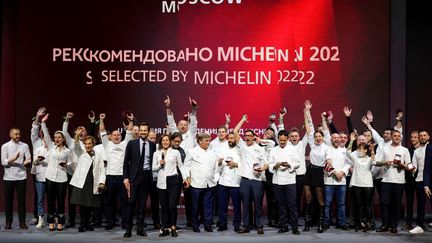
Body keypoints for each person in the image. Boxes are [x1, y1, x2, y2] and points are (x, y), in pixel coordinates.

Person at [234, 115, 268, 235]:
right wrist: (243, 120)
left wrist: (261, 169)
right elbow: (235, 131)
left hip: (257, 180)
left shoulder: (260, 149)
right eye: (246, 136)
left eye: (250, 136)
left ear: (254, 137)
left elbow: (266, 164)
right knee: (246, 205)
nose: (247, 137)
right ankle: (246, 226)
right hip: (244, 180)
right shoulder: (242, 146)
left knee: (258, 205)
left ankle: (259, 225)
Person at [346, 132, 387, 232]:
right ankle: (361, 223)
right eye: (359, 148)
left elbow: (374, 162)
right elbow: (347, 152)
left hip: (367, 184)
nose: (360, 150)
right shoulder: (355, 158)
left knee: (368, 205)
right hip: (356, 184)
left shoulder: (369, 159)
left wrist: (372, 150)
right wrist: (351, 140)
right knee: (359, 205)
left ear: (365, 150)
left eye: (362, 149)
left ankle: (368, 223)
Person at [99, 113, 133, 230]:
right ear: (110, 137)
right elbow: (102, 132)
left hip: (123, 177)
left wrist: (131, 121)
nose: (117, 136)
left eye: (118, 134)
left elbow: (129, 131)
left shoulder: (125, 144)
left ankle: (125, 223)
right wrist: (101, 120)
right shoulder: (107, 144)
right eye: (114, 135)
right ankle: (110, 222)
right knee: (109, 202)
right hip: (110, 177)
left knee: (124, 202)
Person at [123, 122, 156, 238]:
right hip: (134, 178)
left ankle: (140, 228)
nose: (142, 132)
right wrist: (126, 178)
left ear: (148, 131)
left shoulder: (152, 145)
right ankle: (128, 229)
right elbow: (126, 162)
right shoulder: (132, 143)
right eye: (141, 130)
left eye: (145, 130)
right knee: (131, 203)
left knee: (142, 205)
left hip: (146, 177)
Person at [41, 114, 73, 231]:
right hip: (50, 176)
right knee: (50, 200)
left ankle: (60, 221)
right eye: (55, 137)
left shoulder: (67, 151)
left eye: (59, 137)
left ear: (63, 139)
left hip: (62, 178)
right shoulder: (51, 147)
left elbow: (70, 163)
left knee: (60, 201)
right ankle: (50, 221)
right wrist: (43, 123)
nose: (57, 139)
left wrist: (66, 165)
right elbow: (46, 135)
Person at [152, 134, 188, 237]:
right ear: (161, 142)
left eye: (167, 140)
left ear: (170, 141)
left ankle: (173, 227)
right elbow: (153, 168)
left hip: (174, 181)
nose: (165, 142)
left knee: (172, 206)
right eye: (163, 140)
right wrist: (160, 165)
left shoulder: (175, 152)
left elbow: (181, 166)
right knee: (164, 207)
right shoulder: (156, 153)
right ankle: (165, 228)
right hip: (161, 181)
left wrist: (185, 179)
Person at [375, 130, 411, 234]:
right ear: (391, 136)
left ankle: (394, 226)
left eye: (398, 136)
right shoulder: (384, 149)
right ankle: (385, 225)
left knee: (396, 204)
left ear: (401, 137)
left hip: (399, 181)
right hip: (386, 179)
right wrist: (384, 162)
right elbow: (376, 162)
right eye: (394, 135)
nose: (397, 137)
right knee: (384, 203)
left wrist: (402, 165)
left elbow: (409, 166)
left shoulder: (405, 150)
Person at [70, 132, 106, 232]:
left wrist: (102, 182)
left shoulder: (98, 155)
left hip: (93, 182)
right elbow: (76, 146)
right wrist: (77, 136)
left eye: (89, 144)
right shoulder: (81, 152)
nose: (87, 146)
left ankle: (88, 223)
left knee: (90, 204)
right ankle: (82, 224)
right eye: (86, 144)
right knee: (82, 204)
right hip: (82, 182)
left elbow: (102, 170)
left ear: (93, 144)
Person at [303, 101, 330, 233]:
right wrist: (307, 112)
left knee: (320, 198)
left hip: (319, 172)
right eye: (316, 136)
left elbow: (328, 158)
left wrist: (329, 161)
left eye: (320, 136)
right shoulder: (312, 145)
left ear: (323, 137)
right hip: (310, 171)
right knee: (308, 197)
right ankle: (307, 224)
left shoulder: (327, 147)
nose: (318, 138)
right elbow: (309, 128)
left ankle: (320, 224)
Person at [183, 133, 219, 232]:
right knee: (195, 206)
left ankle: (207, 225)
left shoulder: (213, 153)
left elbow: (215, 168)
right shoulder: (192, 152)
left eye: (209, 140)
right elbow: (186, 166)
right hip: (196, 184)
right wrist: (187, 177)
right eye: (206, 140)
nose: (208, 142)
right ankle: (195, 225)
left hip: (210, 184)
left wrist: (215, 179)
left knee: (208, 206)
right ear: (200, 141)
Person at [268, 130, 300, 234]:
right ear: (278, 139)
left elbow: (298, 163)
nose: (282, 142)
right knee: (280, 205)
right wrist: (275, 165)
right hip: (277, 181)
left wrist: (289, 165)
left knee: (292, 204)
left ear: (288, 139)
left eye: (284, 140)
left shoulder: (292, 149)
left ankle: (294, 227)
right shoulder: (273, 150)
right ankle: (283, 226)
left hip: (290, 180)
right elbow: (269, 165)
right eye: (281, 140)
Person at [1, 127, 31, 230]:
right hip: (8, 177)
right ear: (10, 135)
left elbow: (28, 158)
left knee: (21, 201)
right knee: (8, 201)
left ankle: (22, 222)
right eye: (16, 134)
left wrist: (26, 162)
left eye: (19, 134)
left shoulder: (24, 146)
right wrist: (13, 158)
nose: (18, 136)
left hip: (21, 176)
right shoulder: (5, 146)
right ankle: (8, 222)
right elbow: (3, 162)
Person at [323, 132, 350, 230]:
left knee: (341, 204)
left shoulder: (345, 150)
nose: (336, 139)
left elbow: (348, 163)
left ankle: (341, 223)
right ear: (331, 139)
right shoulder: (328, 150)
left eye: (338, 137)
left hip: (341, 181)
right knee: (327, 204)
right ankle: (326, 223)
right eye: (334, 138)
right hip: (329, 181)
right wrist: (336, 173)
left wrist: (342, 172)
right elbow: (328, 163)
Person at [217, 132, 242, 232]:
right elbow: (219, 162)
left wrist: (235, 164)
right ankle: (223, 224)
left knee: (237, 206)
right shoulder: (223, 149)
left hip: (236, 182)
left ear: (236, 139)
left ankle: (237, 224)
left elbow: (245, 163)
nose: (231, 140)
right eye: (229, 138)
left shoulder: (241, 150)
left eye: (233, 138)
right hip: (223, 181)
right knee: (222, 205)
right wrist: (219, 162)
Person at [409, 130, 430, 234]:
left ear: (428, 137)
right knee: (421, 204)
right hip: (419, 180)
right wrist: (412, 169)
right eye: (421, 136)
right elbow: (414, 166)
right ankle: (420, 225)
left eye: (424, 135)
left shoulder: (430, 148)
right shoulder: (416, 151)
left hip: (430, 180)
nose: (422, 137)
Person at [32, 136, 49, 228]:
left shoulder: (53, 149)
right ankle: (40, 219)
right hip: (40, 177)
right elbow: (34, 163)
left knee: (51, 199)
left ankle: (52, 218)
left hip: (51, 177)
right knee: (40, 200)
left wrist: (46, 162)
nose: (46, 141)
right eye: (44, 139)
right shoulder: (38, 149)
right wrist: (37, 160)